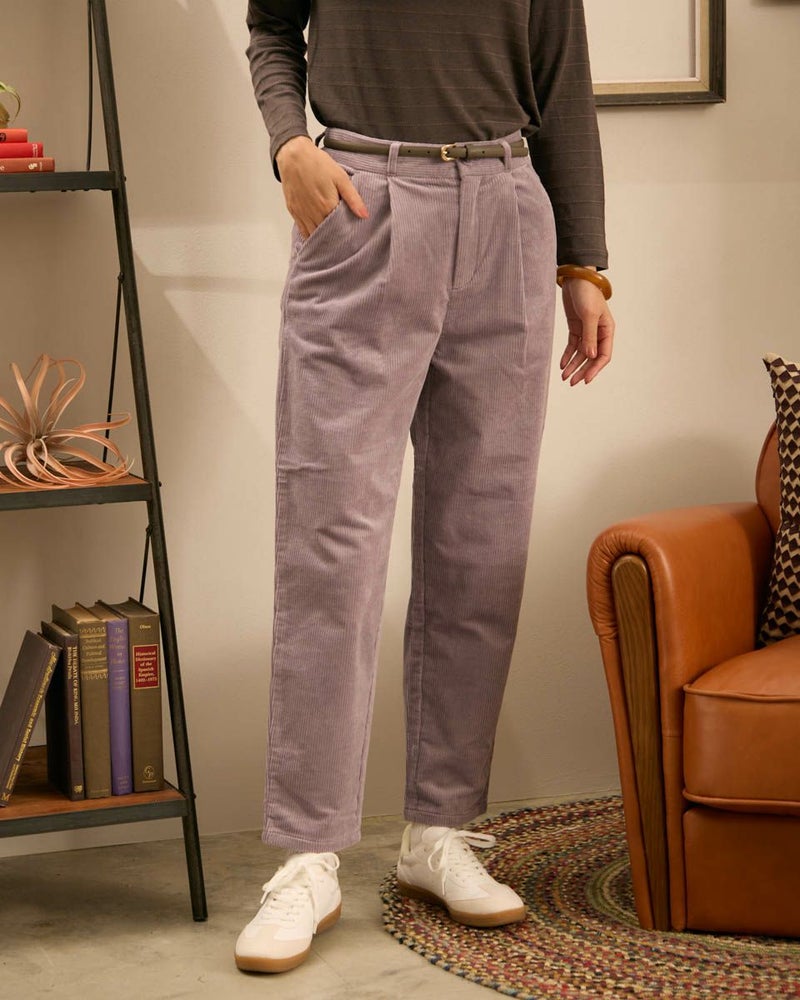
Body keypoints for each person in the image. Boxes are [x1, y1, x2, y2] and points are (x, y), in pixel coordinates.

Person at [237, 0, 615, 974]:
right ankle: (307, 854)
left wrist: (584, 261)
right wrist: (289, 144)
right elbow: (272, 27)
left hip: (507, 209)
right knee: (330, 545)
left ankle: (439, 830)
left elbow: (561, 79)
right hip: (363, 203)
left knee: (480, 546)